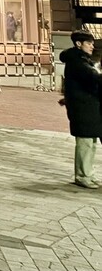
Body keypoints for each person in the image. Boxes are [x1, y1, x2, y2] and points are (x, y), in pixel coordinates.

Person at [59, 31, 102, 188]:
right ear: (78, 44)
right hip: (82, 108)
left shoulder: (83, 59)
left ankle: (88, 174)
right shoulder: (77, 62)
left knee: (91, 141)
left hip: (89, 107)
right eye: (88, 43)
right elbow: (94, 77)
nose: (92, 46)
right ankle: (83, 176)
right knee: (85, 142)